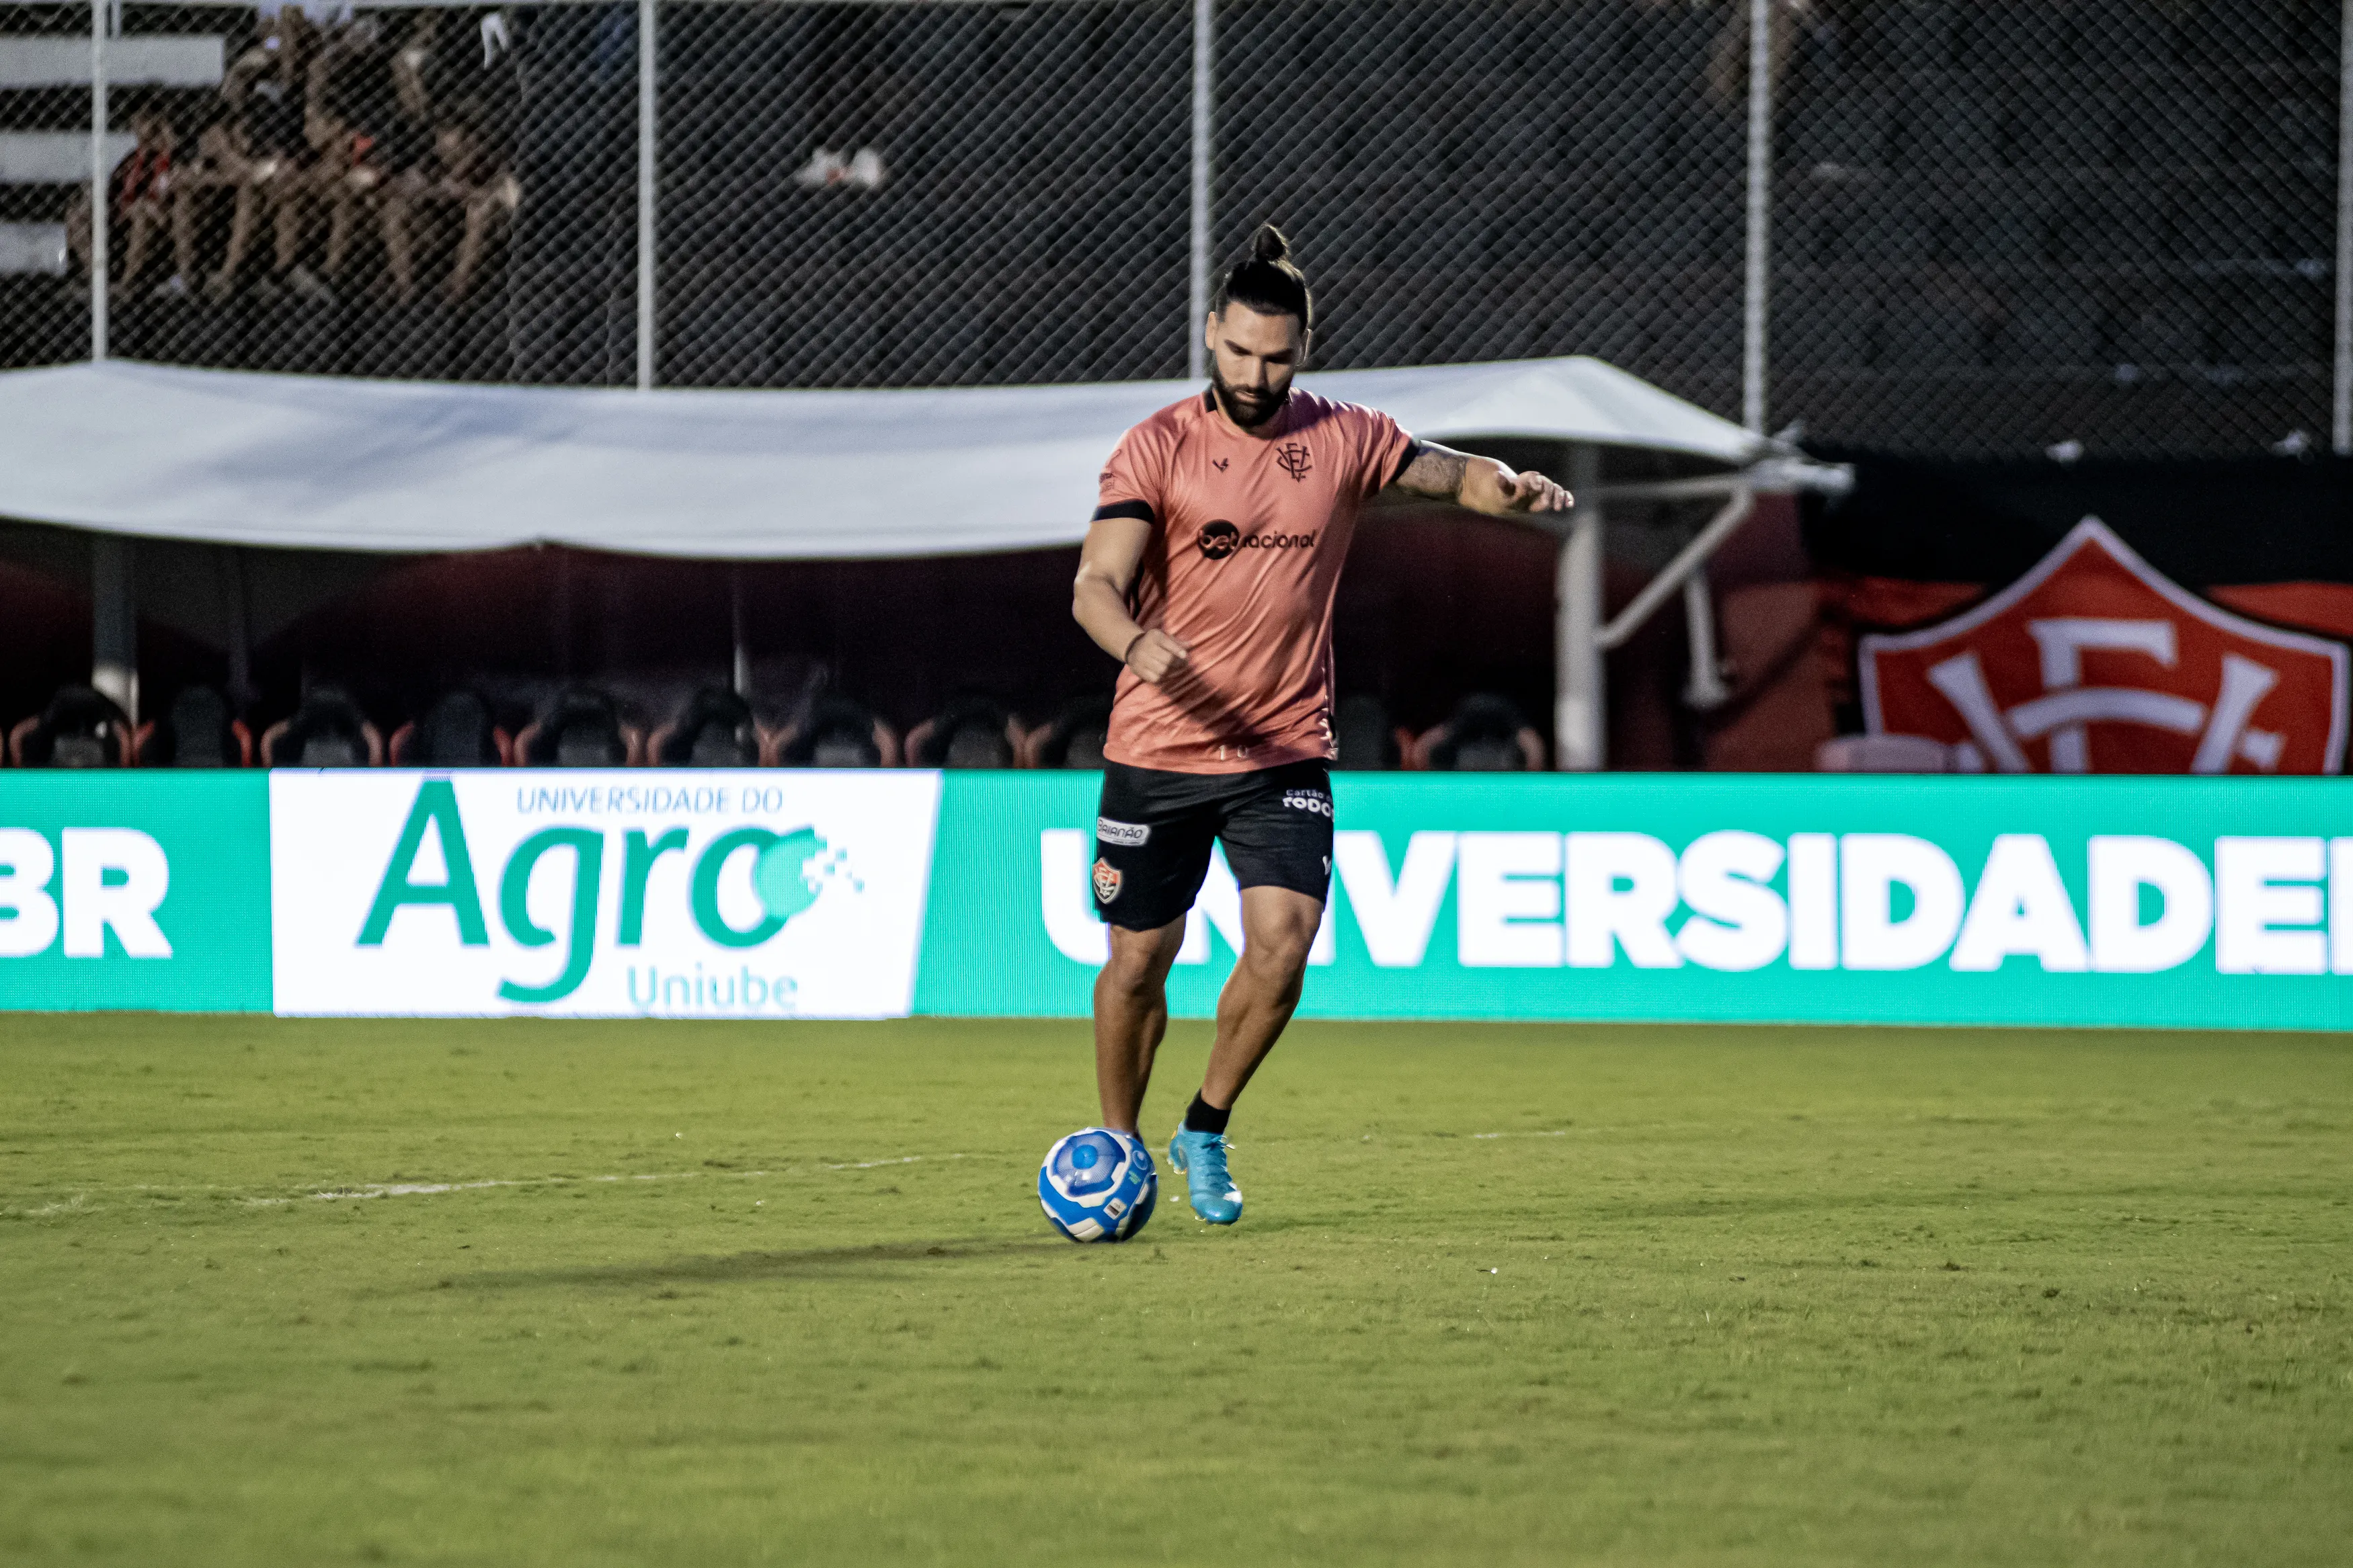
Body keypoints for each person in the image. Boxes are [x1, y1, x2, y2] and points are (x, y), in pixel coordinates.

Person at [1069, 224, 1573, 1225]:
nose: (1257, 373)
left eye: (1279, 356)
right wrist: (1132, 643)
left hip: (1281, 748)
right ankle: (1116, 1144)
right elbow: (1093, 584)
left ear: (1306, 346)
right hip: (1157, 750)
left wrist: (1503, 489)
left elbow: (1450, 470)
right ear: (1211, 333)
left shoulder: (1341, 437)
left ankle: (1204, 1128)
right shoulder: (1158, 446)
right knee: (1137, 961)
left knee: (1285, 944)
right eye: (1241, 351)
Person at [64, 106, 175, 297]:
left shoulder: (167, 158)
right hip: (121, 218)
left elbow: (163, 196)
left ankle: (127, 282)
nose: (137, 127)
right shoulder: (132, 160)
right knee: (76, 214)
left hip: (153, 221)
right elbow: (112, 193)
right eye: (136, 122)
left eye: (144, 121)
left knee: (140, 211)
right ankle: (98, 278)